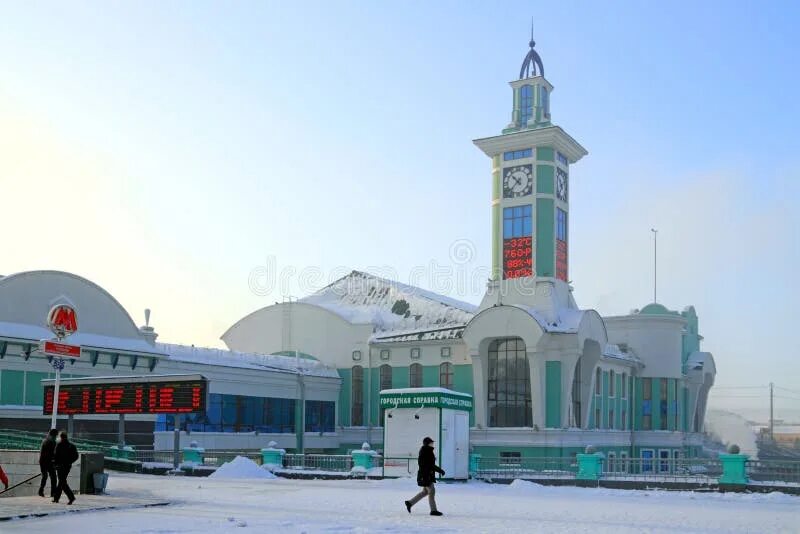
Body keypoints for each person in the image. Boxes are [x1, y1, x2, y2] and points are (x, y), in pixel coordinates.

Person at [404, 436, 445, 516]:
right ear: (427, 444)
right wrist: (440, 470)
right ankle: (433, 511)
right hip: (426, 476)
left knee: (425, 492)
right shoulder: (426, 452)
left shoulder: (426, 451)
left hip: (426, 475)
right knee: (431, 491)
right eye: (431, 443)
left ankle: (410, 503)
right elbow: (430, 465)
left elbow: (429, 464)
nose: (432, 444)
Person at [52, 431, 78, 504]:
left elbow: (55, 456)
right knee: (61, 482)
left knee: (62, 482)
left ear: (61, 437)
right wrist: (70, 462)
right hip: (67, 467)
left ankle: (71, 497)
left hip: (60, 466)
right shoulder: (71, 446)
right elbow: (76, 456)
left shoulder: (59, 445)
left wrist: (54, 464)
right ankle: (56, 498)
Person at [38, 429, 58, 498]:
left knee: (45, 476)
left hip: (43, 461)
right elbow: (54, 454)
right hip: (48, 462)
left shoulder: (45, 440)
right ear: (54, 435)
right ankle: (53, 493)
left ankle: (41, 491)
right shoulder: (52, 442)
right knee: (53, 477)